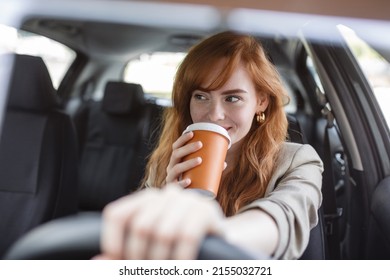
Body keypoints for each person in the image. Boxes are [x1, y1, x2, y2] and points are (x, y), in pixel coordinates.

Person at [99, 31, 323, 260]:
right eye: (201, 97)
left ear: (261, 101)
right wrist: (169, 196)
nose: (214, 114)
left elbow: (283, 217)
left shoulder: (298, 161)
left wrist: (216, 235)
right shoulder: (171, 160)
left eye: (232, 98)